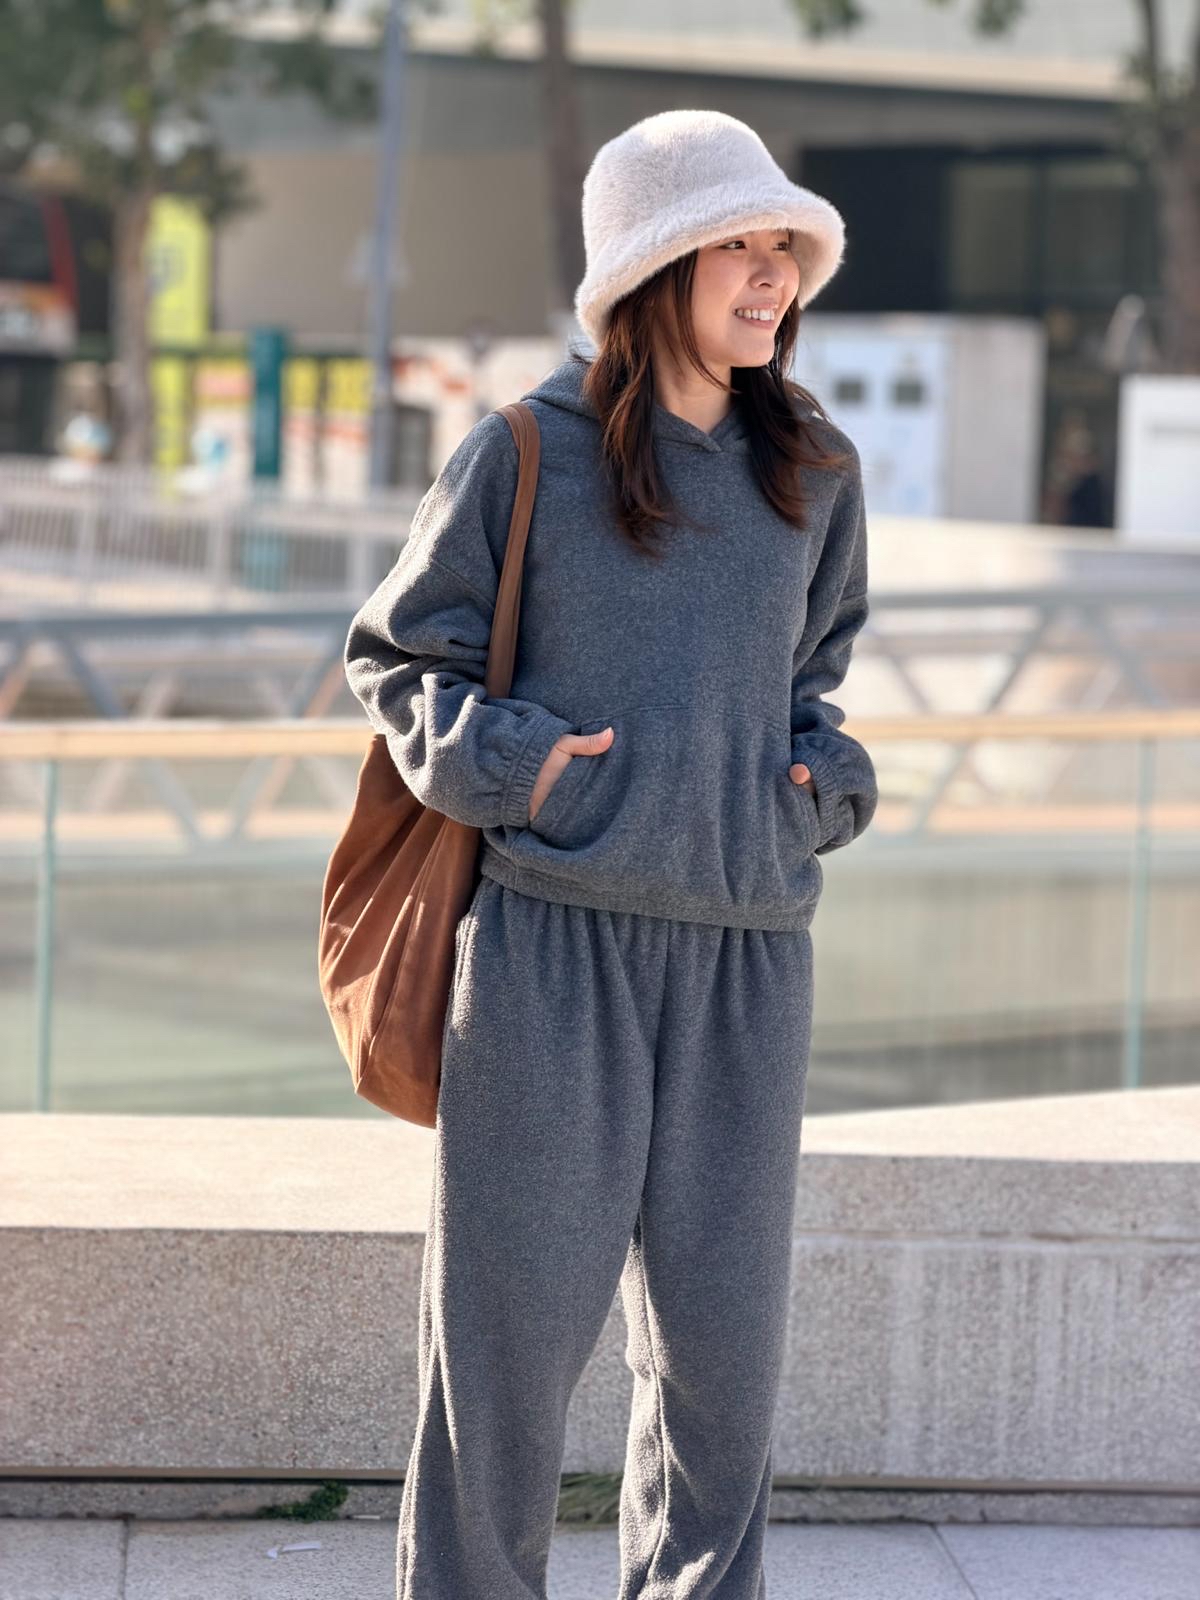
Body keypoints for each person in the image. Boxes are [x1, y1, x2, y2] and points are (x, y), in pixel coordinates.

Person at [343, 108, 878, 1600]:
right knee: (504, 1361)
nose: (772, 276)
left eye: (782, 249)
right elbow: (398, 657)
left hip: (748, 954)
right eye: (736, 247)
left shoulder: (815, 467)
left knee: (725, 1372)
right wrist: (521, 771)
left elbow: (813, 682)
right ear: (652, 268)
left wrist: (821, 784)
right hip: (548, 951)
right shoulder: (524, 451)